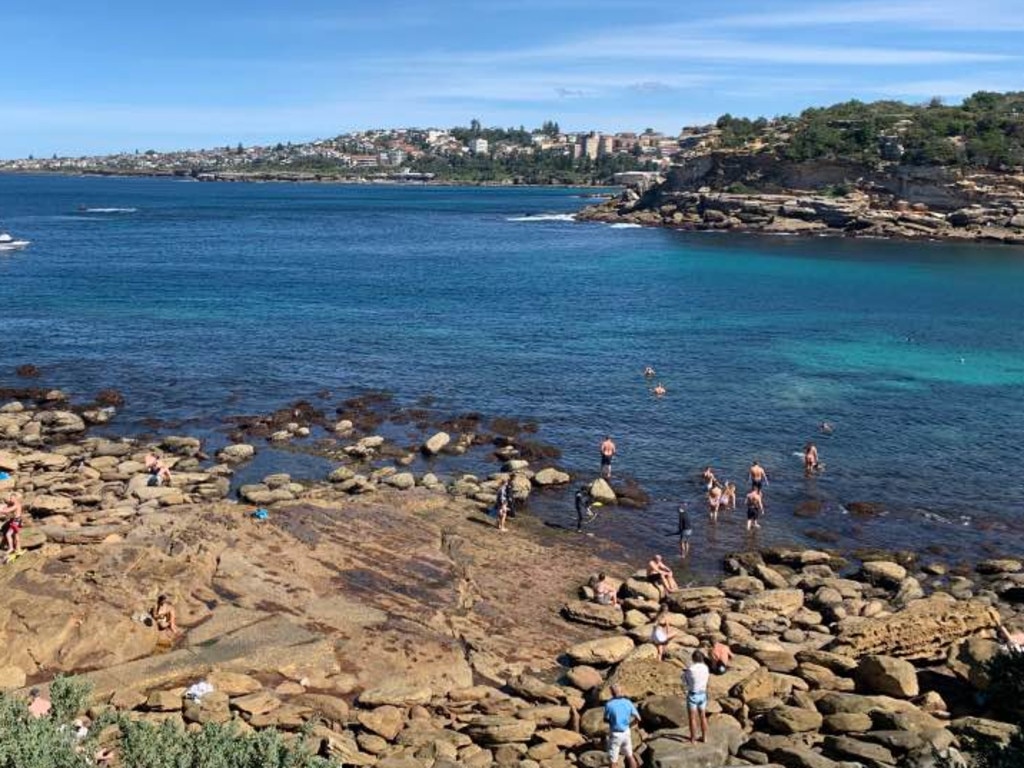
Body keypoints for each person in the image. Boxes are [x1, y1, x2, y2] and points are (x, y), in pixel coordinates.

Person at [603, 684, 640, 768]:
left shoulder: (609, 704)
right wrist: (631, 725)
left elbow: (605, 719)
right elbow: (638, 718)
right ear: (621, 691)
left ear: (611, 693)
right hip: (626, 732)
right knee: (630, 756)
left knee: (613, 761)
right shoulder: (628, 702)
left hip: (616, 734)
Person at [683, 650, 711, 744]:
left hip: (693, 695)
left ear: (693, 658)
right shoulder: (705, 668)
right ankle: (704, 737)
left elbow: (685, 681)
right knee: (703, 716)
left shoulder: (690, 669)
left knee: (692, 718)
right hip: (703, 694)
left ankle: (693, 739)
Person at [1, 493, 24, 560]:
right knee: (16, 535)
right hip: (17, 521)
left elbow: (8, 510)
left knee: (8, 534)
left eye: (11, 498)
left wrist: (2, 510)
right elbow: (9, 510)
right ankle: (18, 549)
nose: (10, 499)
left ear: (15, 498)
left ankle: (11, 548)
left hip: (16, 521)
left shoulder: (16, 505)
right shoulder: (17, 504)